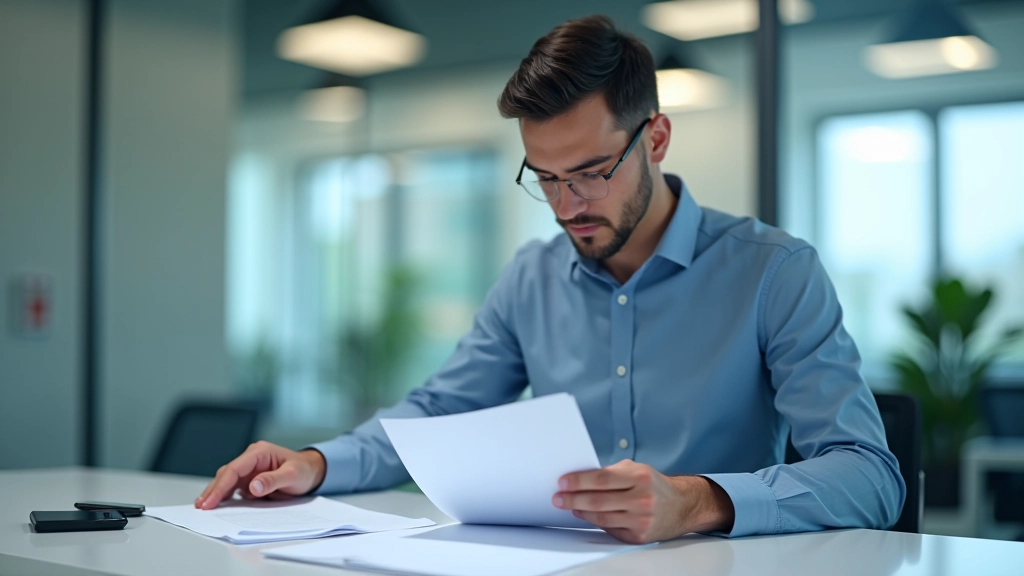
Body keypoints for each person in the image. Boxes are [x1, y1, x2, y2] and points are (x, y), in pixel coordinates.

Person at [196, 15, 905, 544]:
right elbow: (438, 413)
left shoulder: (773, 273)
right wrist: (315, 463)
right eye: (546, 178)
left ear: (654, 139)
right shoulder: (530, 277)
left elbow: (870, 477)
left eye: (593, 173)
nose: (569, 206)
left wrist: (698, 501)